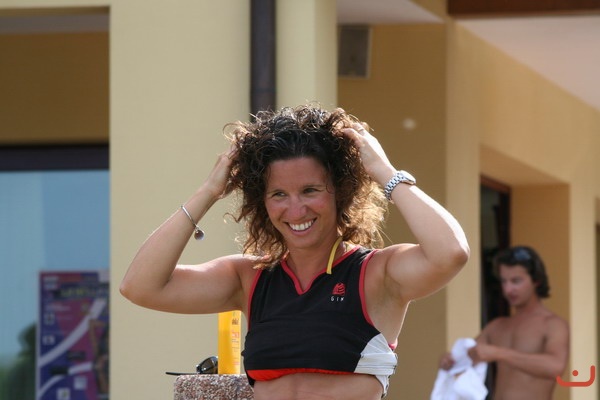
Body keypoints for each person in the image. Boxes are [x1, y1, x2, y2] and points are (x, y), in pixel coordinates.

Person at [120, 104, 470, 400]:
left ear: (340, 192)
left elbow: (451, 253)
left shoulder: (377, 273)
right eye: (279, 194)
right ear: (262, 202)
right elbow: (139, 286)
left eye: (310, 190)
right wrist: (209, 192)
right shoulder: (249, 277)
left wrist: (385, 172)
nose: (296, 210)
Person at [439, 245, 569, 400]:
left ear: (536, 281)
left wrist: (499, 353)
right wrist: (449, 360)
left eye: (516, 281)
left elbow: (556, 367)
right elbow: (468, 357)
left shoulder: (553, 324)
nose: (508, 289)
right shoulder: (497, 326)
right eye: (504, 281)